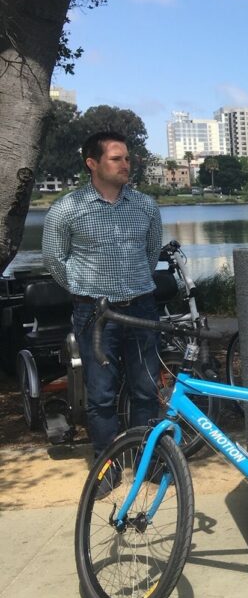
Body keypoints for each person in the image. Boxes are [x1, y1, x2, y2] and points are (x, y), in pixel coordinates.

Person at [42, 131, 163, 461]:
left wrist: (134, 283)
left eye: (127, 158)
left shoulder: (146, 207)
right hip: (94, 313)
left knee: (146, 389)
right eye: (116, 158)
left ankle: (145, 461)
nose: (125, 164)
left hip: (141, 308)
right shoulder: (66, 209)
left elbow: (152, 253)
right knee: (101, 395)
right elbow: (54, 259)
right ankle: (106, 466)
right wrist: (84, 289)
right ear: (92, 164)